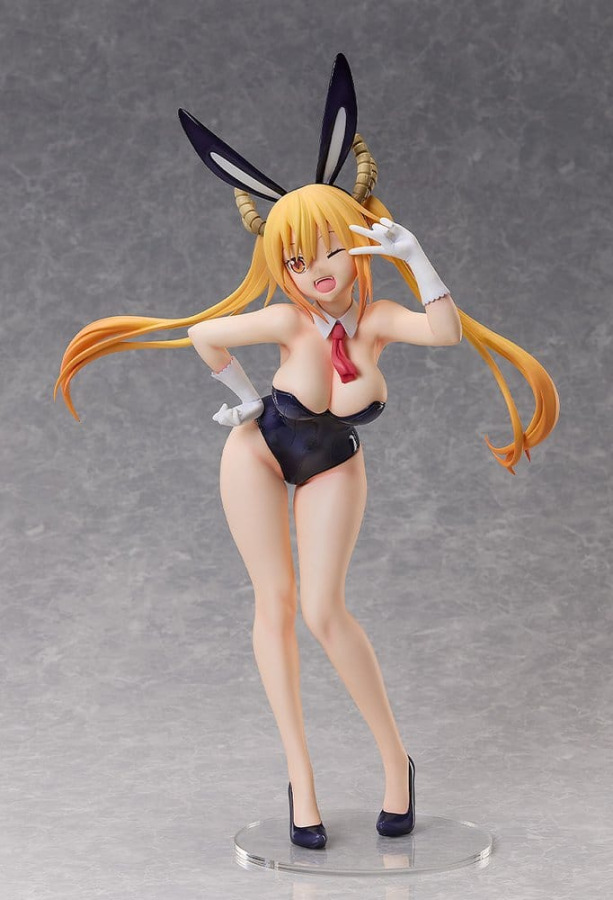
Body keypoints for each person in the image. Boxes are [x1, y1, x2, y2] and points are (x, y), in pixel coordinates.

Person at [54, 56, 559, 849]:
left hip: (332, 459)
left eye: (327, 250)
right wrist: (247, 400)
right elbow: (205, 334)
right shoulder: (289, 322)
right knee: (275, 606)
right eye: (296, 260)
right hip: (259, 450)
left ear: (354, 244)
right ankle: (302, 779)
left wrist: (413, 254)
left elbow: (445, 332)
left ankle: (395, 765)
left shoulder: (377, 320)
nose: (315, 272)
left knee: (325, 610)